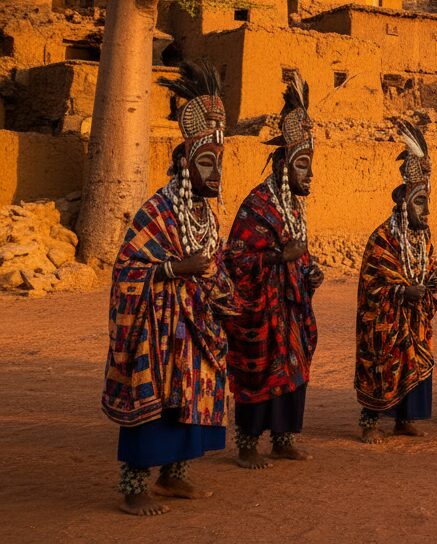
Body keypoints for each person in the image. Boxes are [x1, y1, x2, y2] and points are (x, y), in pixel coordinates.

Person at [102, 61, 233, 516]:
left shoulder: (206, 217)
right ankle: (134, 485)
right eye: (205, 162)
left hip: (194, 330)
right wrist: (174, 269)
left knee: (191, 398)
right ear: (183, 163)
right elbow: (126, 271)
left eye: (219, 163)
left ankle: (174, 475)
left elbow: (213, 266)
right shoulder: (155, 212)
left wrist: (222, 293)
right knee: (155, 402)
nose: (215, 173)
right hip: (158, 331)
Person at [223, 72, 322, 468]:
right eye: (303, 166)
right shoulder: (257, 206)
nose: (310, 174)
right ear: (284, 168)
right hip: (262, 312)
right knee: (259, 375)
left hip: (292, 311)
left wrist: (309, 273)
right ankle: (248, 445)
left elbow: (300, 251)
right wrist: (278, 259)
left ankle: (283, 439)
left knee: (293, 374)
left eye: (311, 165)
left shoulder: (294, 208)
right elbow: (237, 257)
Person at [355, 120, 437, 443]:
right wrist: (403, 291)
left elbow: (430, 264)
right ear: (405, 203)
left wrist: (433, 281)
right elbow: (373, 284)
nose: (427, 210)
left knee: (416, 361)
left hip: (414, 319)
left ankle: (404, 419)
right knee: (383, 363)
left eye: (427, 202)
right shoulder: (382, 237)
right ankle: (370, 421)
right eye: (421, 202)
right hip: (386, 323)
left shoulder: (422, 237)